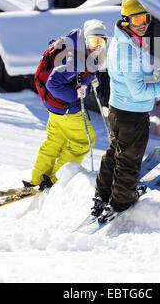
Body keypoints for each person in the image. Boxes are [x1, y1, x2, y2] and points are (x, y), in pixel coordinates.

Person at [92, 0, 160, 222]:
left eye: (145, 18)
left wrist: (157, 77)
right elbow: (138, 91)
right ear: (126, 20)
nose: (143, 23)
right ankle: (120, 202)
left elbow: (134, 77)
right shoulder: (128, 49)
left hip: (121, 108)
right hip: (132, 113)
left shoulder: (127, 40)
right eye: (137, 19)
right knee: (129, 159)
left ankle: (103, 194)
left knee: (115, 152)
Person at [24, 19, 107, 190]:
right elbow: (53, 83)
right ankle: (55, 180)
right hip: (66, 107)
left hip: (53, 105)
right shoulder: (75, 59)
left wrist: (89, 79)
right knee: (84, 141)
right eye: (94, 41)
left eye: (102, 41)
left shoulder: (76, 44)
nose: (98, 46)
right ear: (86, 39)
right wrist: (75, 94)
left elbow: (81, 73)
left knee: (55, 140)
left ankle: (38, 178)